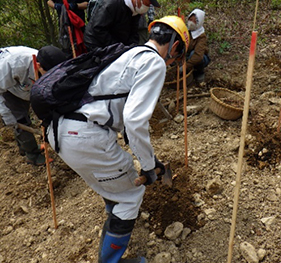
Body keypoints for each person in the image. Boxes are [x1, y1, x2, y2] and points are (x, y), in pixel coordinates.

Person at [46, 16, 189, 262]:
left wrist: (150, 159)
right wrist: (146, 167)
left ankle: (115, 215)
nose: (174, 63)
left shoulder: (131, 53)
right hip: (85, 135)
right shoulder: (154, 63)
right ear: (175, 47)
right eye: (178, 57)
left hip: (62, 128)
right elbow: (134, 122)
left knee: (116, 187)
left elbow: (117, 108)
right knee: (131, 197)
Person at [0, 45, 67, 165]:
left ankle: (24, 147)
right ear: (38, 65)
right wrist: (6, 115)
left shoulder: (48, 60)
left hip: (23, 86)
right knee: (20, 119)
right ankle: (33, 155)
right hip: (6, 89)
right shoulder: (12, 66)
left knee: (23, 113)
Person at [83, 0, 160, 51]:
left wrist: (132, 48)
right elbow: (98, 29)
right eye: (147, 3)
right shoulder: (112, 4)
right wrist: (118, 47)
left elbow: (134, 32)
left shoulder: (135, 11)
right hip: (96, 43)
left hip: (116, 44)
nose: (147, 6)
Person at [183, 8, 210, 82]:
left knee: (193, 55)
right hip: (187, 55)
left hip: (199, 57)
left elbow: (198, 55)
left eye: (194, 21)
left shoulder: (201, 36)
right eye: (190, 20)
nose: (191, 22)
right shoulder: (186, 31)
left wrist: (186, 66)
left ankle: (199, 72)